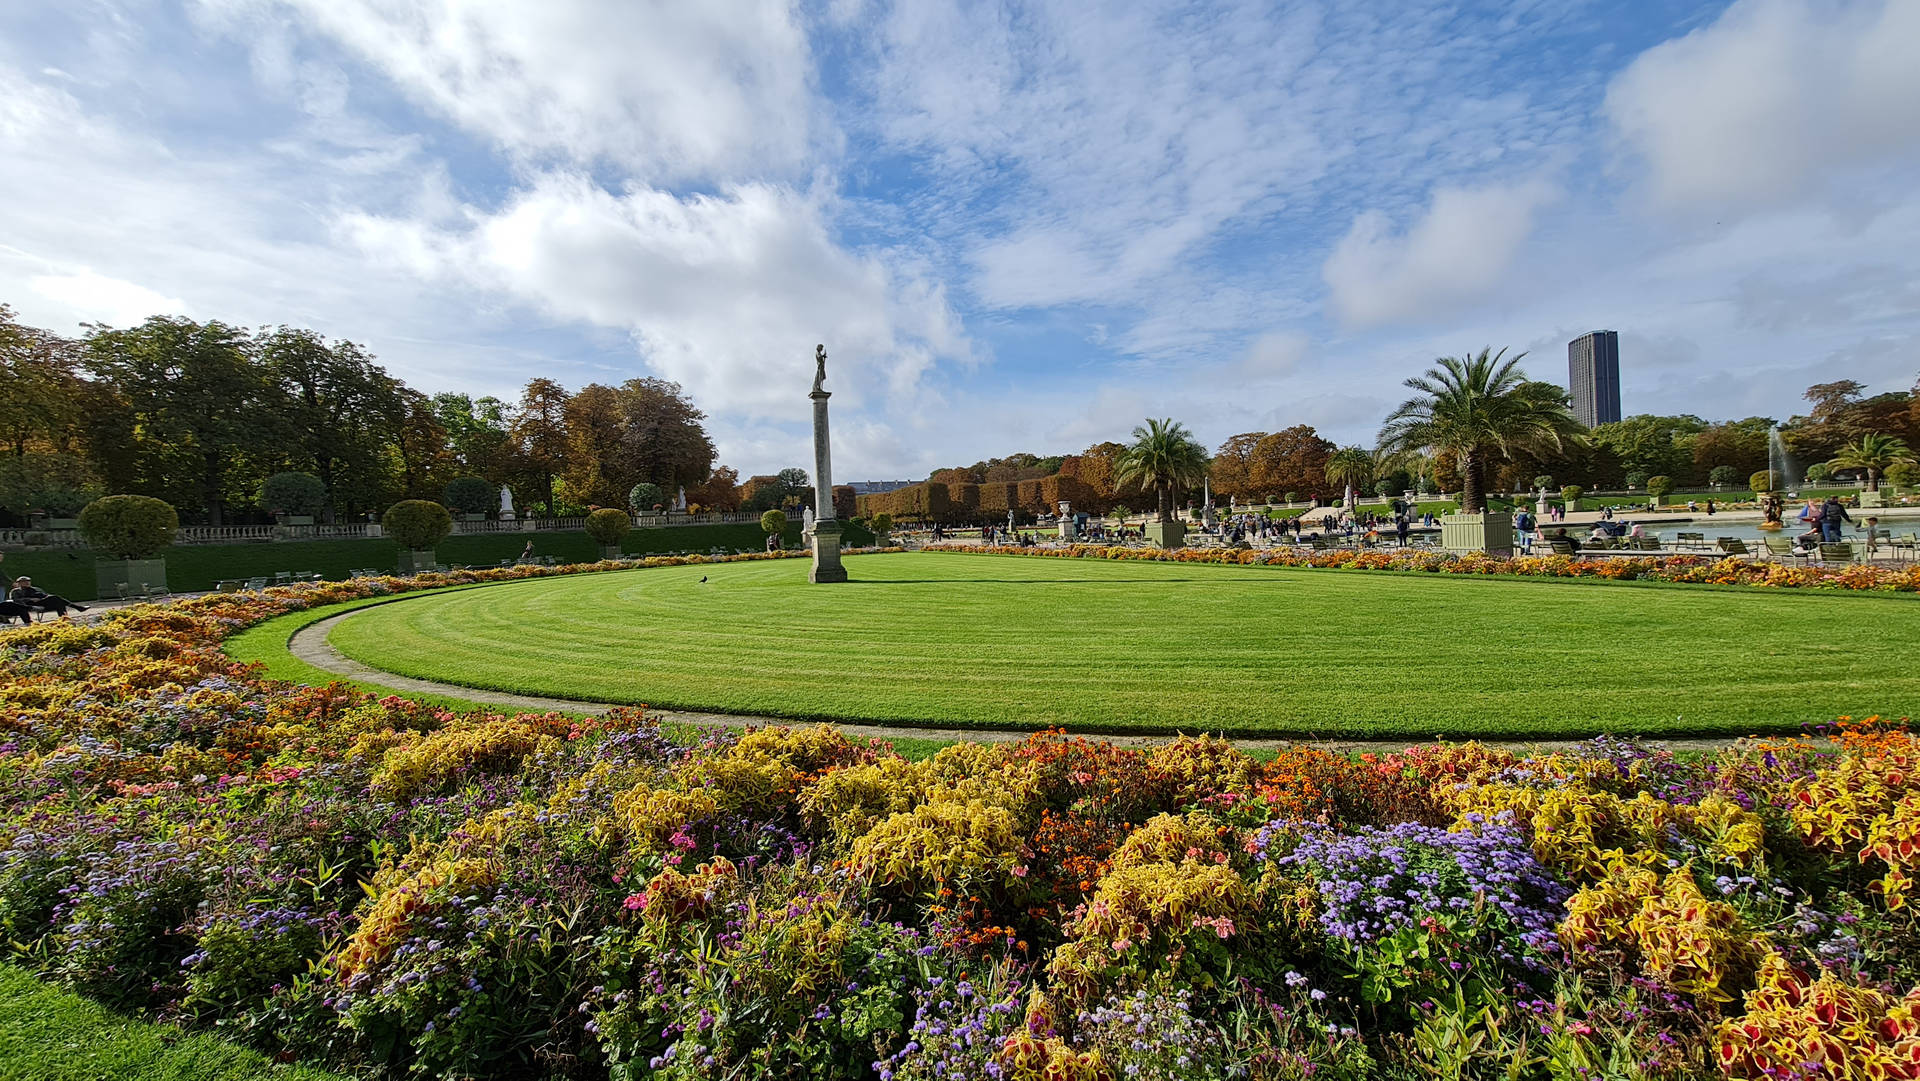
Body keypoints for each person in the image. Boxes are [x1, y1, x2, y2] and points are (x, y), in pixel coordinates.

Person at [10, 577, 87, 619]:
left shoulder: (36, 588)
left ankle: (64, 619)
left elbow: (45, 595)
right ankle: (76, 608)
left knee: (58, 602)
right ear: (19, 583)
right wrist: (30, 599)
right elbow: (16, 600)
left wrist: (44, 597)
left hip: (43, 602)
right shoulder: (16, 591)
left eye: (28, 581)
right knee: (56, 598)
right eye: (24, 581)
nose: (27, 582)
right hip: (30, 604)